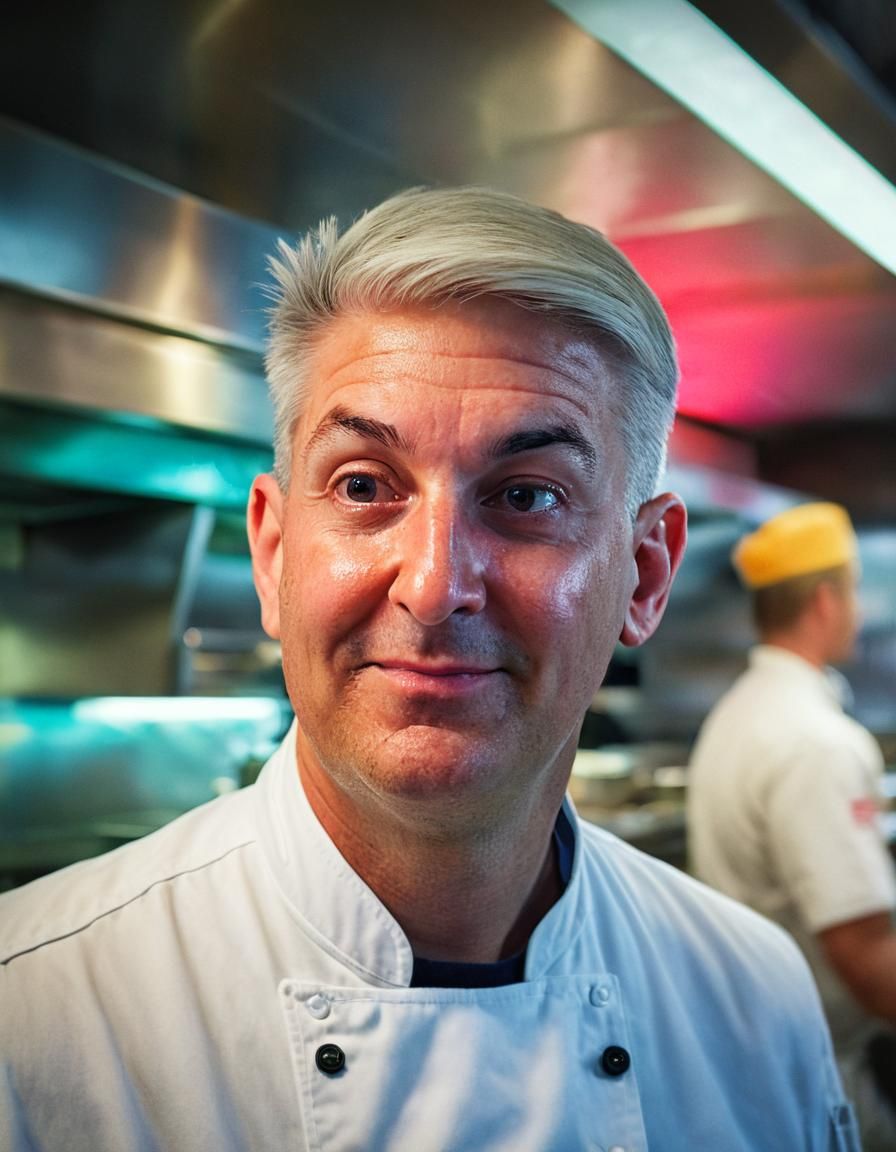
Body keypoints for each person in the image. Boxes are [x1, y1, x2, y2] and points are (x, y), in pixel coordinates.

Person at [1, 187, 859, 1151]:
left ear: (645, 574)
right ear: (275, 556)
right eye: (364, 486)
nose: (435, 583)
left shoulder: (754, 997)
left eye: (527, 494)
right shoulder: (32, 1021)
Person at [688, 501, 896, 1151]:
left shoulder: (741, 712)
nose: (859, 615)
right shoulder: (818, 743)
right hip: (817, 1066)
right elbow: (862, 949)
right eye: (856, 593)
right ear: (827, 601)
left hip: (754, 1047)